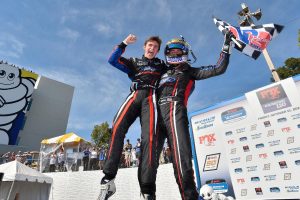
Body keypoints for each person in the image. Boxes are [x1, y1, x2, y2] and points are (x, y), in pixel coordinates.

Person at [154, 30, 234, 200]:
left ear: (185, 53)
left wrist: (227, 45)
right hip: (155, 116)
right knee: (149, 160)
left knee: (181, 159)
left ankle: (190, 196)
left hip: (176, 110)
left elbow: (219, 68)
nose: (175, 54)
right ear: (167, 54)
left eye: (179, 51)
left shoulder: (190, 71)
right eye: (172, 52)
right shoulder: (161, 71)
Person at [99, 34, 166, 200]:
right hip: (135, 95)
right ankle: (108, 179)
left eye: (155, 47)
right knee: (116, 128)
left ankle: (147, 190)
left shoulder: (161, 65)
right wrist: (124, 43)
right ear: (144, 47)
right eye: (150, 45)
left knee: (149, 140)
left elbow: (176, 71)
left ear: (158, 51)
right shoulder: (135, 62)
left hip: (151, 98)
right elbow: (112, 60)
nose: (152, 48)